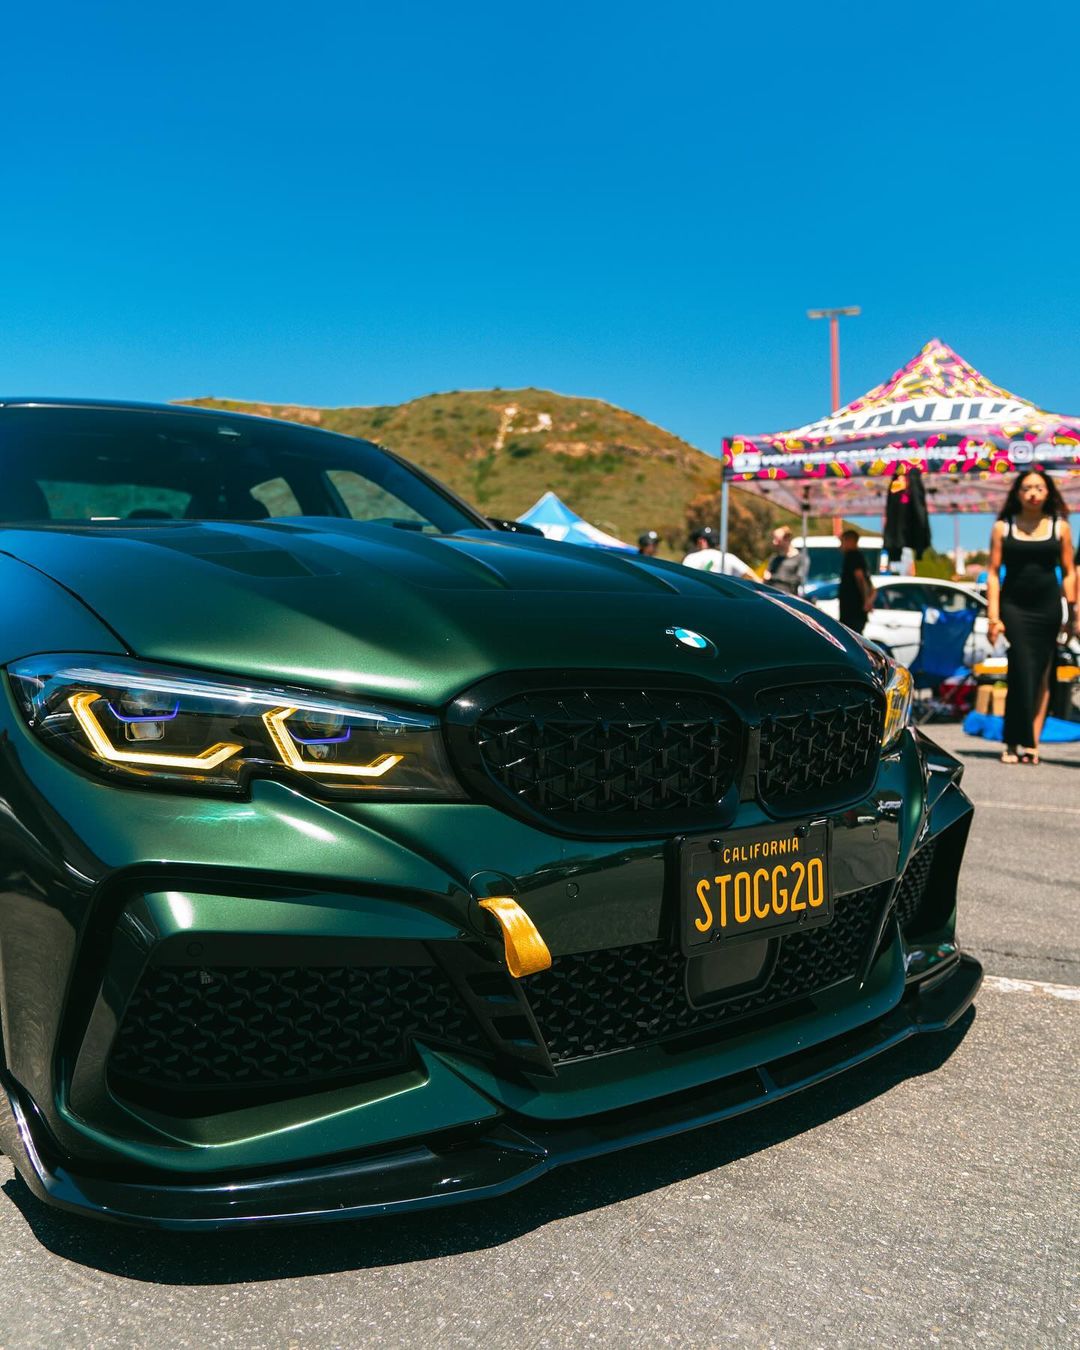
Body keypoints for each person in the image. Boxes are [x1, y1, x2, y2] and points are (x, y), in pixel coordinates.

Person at [986, 469, 1077, 765]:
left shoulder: (1060, 528)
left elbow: (1068, 572)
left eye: (1039, 487)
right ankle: (1014, 740)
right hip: (1014, 607)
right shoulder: (1003, 527)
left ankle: (1031, 742)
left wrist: (1074, 610)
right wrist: (993, 616)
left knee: (1042, 674)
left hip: (1047, 607)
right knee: (1022, 669)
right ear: (1018, 493)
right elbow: (992, 573)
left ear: (1048, 491)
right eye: (1027, 488)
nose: (1033, 493)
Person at [838, 529, 875, 633]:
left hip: (853, 610)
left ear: (849, 541)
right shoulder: (860, 557)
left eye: (842, 541)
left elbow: (860, 578)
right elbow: (871, 587)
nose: (840, 546)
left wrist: (866, 601)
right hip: (856, 611)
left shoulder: (852, 556)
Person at [681, 527, 755, 578]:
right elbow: (751, 576)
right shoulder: (729, 557)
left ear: (701, 541)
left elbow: (683, 578)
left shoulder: (692, 557)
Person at [763, 526, 807, 596]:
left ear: (787, 539)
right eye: (773, 539)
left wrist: (773, 577)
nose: (774, 542)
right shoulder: (774, 558)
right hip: (772, 597)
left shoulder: (801, 558)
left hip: (789, 600)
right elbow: (766, 578)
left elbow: (798, 580)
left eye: (778, 540)